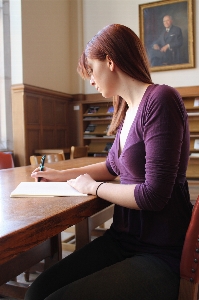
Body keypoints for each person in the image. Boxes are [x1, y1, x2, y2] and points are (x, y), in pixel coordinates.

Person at [25, 24, 192, 300]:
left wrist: (94, 188)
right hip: (123, 239)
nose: (90, 80)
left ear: (110, 62)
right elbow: (111, 167)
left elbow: (154, 196)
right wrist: (62, 175)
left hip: (160, 250)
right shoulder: (127, 111)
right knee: (36, 292)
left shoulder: (161, 99)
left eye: (91, 70)